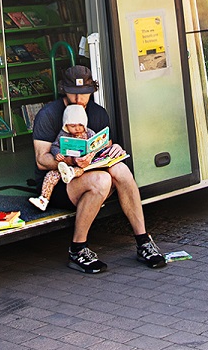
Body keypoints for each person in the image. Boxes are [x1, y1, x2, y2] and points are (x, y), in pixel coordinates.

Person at [32, 65, 166, 273]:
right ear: (64, 91)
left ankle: (143, 242)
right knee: (101, 181)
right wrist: (71, 161)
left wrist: (114, 149)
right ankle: (78, 249)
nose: (79, 100)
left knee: (121, 170)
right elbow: (41, 160)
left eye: (84, 94)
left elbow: (101, 145)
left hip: (89, 172)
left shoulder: (97, 113)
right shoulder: (48, 114)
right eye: (73, 94)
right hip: (58, 182)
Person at [29, 103, 90, 211]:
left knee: (79, 170)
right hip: (64, 164)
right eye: (72, 126)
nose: (77, 129)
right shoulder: (63, 135)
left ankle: (70, 173)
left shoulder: (89, 133)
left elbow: (97, 143)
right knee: (50, 176)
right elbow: (54, 145)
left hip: (81, 165)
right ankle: (43, 199)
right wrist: (57, 153)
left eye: (80, 125)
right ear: (66, 125)